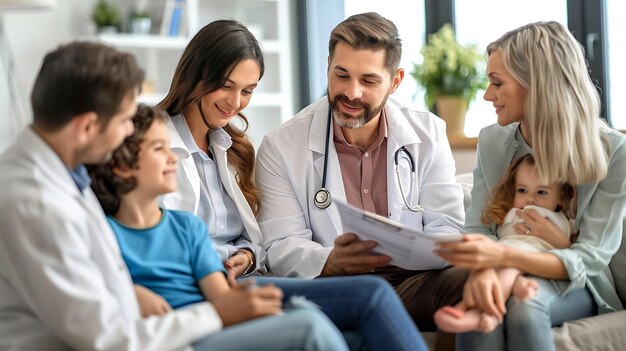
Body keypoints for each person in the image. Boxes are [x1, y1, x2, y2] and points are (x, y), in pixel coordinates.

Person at [0, 41, 344, 351]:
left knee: (327, 326)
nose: (127, 135)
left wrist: (130, 291)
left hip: (152, 322)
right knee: (309, 326)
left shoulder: (60, 177)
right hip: (131, 337)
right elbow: (108, 340)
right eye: (123, 122)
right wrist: (215, 313)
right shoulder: (36, 203)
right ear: (87, 127)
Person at [154, 19, 429, 351]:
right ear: (196, 76)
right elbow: (157, 238)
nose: (235, 102)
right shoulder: (155, 145)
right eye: (225, 86)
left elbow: (256, 242)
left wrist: (244, 255)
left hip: (245, 279)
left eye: (248, 90)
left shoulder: (229, 150)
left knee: (354, 339)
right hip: (206, 290)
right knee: (370, 295)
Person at [255, 11, 467, 331]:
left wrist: (418, 252)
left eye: (368, 81)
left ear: (395, 82)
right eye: (342, 75)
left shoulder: (428, 134)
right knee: (369, 295)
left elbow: (448, 227)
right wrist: (330, 261)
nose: (352, 93)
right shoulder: (281, 146)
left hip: (413, 283)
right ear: (328, 66)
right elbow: (280, 244)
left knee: (473, 280)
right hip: (337, 289)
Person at [436, 21, 626, 350]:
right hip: (502, 265)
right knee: (485, 301)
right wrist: (483, 272)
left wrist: (498, 255)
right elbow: (479, 230)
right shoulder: (492, 141)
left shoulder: (613, 151)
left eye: (497, 83)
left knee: (525, 306)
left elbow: (589, 258)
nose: (486, 95)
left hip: (578, 282)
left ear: (536, 85)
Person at [435, 154, 575, 333]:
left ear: (560, 198)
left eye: (541, 192)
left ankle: (486, 315)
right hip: (509, 257)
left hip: (532, 258)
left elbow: (575, 250)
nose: (530, 199)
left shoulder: (558, 219)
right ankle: (511, 288)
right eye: (522, 190)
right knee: (486, 275)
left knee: (507, 269)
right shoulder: (511, 213)